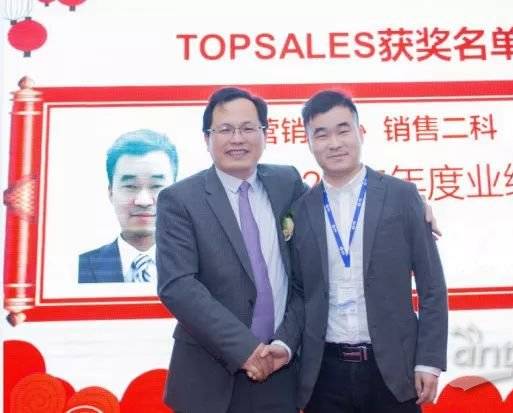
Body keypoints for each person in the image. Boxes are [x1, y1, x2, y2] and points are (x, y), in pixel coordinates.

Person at [266, 90, 449, 413]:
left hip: (393, 368)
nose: (334, 143)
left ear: (360, 133)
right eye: (321, 134)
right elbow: (301, 292)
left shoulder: (401, 196)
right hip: (325, 373)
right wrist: (284, 343)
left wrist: (429, 361)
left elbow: (431, 285)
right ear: (309, 142)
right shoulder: (301, 210)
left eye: (343, 130)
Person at [156, 87, 306, 413]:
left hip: (282, 371)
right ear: (206, 138)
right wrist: (245, 349)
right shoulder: (180, 200)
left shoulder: (288, 183)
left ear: (264, 134)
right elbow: (177, 285)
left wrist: (285, 343)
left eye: (248, 128)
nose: (237, 139)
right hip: (208, 378)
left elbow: (306, 274)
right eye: (225, 129)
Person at [78, 129, 178, 283]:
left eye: (156, 186)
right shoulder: (80, 269)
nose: (143, 201)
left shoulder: (203, 266)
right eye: (130, 186)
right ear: (111, 192)